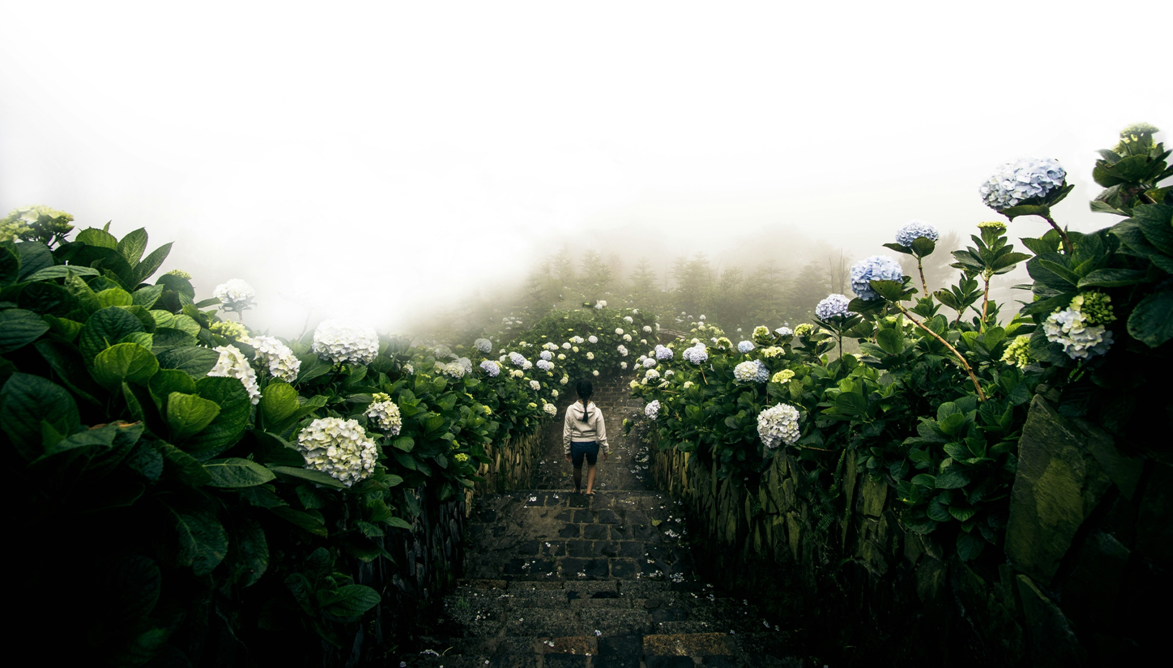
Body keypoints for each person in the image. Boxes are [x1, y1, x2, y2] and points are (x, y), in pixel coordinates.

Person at [562, 379, 609, 495]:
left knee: (577, 467)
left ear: (577, 392)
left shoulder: (570, 409)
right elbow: (601, 434)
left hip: (576, 444)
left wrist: (567, 450)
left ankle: (578, 489)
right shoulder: (597, 411)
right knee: (592, 465)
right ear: (591, 393)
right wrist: (605, 449)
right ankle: (589, 491)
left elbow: (567, 433)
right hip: (592, 444)